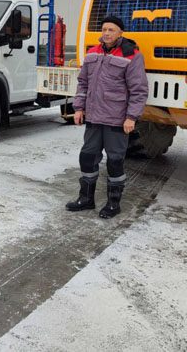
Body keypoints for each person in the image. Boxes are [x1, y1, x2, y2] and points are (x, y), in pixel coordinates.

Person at [66, 16, 148, 219]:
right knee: (87, 157)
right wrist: (78, 108)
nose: (107, 33)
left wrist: (131, 117)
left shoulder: (132, 55)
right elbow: (83, 83)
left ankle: (113, 204)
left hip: (116, 120)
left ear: (120, 32)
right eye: (104, 29)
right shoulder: (93, 52)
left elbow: (138, 90)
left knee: (115, 161)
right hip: (93, 118)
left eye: (111, 29)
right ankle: (86, 199)